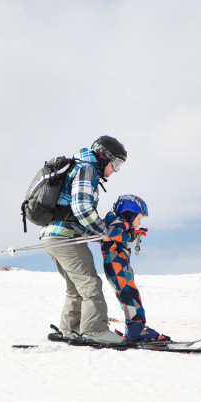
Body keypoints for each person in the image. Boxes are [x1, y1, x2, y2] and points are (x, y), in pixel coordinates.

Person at [41, 136, 128, 345]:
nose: (115, 170)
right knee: (90, 283)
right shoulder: (87, 169)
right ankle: (94, 330)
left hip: (52, 237)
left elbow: (75, 210)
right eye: (116, 163)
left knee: (76, 286)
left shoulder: (79, 168)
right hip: (66, 237)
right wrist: (103, 230)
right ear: (103, 156)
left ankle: (70, 329)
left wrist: (95, 235)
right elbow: (82, 208)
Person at [101, 195, 170, 342]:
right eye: (138, 219)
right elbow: (114, 233)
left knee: (128, 295)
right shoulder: (118, 222)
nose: (138, 223)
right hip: (117, 266)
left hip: (118, 266)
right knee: (130, 295)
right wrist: (131, 234)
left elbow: (118, 233)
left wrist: (132, 232)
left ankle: (133, 327)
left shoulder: (118, 222)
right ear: (128, 214)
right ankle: (136, 329)